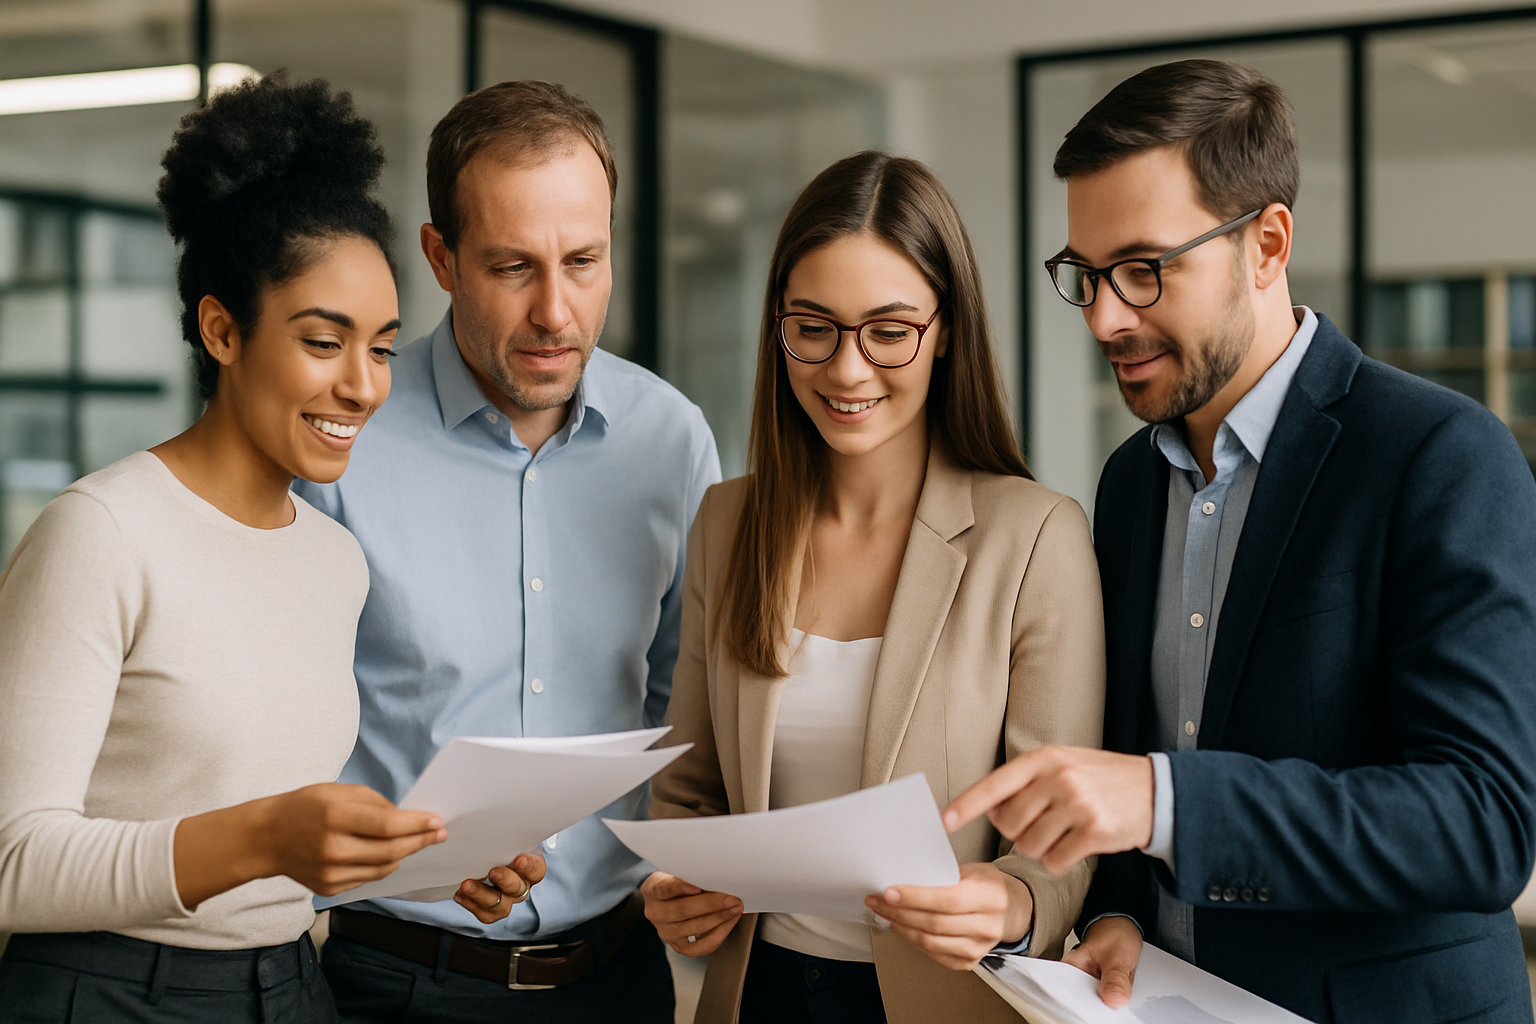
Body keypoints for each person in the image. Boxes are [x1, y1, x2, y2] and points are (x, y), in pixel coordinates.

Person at [945, 59, 1536, 1024]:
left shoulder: (1442, 455)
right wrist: (1127, 908)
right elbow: (1147, 755)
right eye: (1085, 276)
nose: (1105, 316)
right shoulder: (1131, 484)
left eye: (1144, 270)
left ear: (1267, 243)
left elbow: (1482, 825)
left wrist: (1164, 803)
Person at [0, 75, 543, 1024]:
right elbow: (14, 862)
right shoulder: (101, 532)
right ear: (221, 330)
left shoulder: (332, 560)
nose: (365, 387)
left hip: (291, 986)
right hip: (108, 993)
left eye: (380, 347)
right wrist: (262, 838)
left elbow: (275, 849)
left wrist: (426, 864)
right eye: (324, 342)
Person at [641, 151, 1106, 1024]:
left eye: (888, 332)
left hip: (947, 1000)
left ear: (947, 332)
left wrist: (1010, 904)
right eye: (812, 328)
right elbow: (691, 791)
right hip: (758, 997)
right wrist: (674, 889)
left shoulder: (1036, 536)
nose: (846, 371)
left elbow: (1063, 843)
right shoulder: (727, 524)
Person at [292, 79, 720, 1024]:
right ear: (441, 259)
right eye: (512, 267)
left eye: (584, 260)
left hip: (621, 977)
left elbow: (676, 701)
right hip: (396, 984)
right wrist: (417, 858)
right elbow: (281, 733)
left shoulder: (673, 439)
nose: (556, 313)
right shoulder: (342, 436)